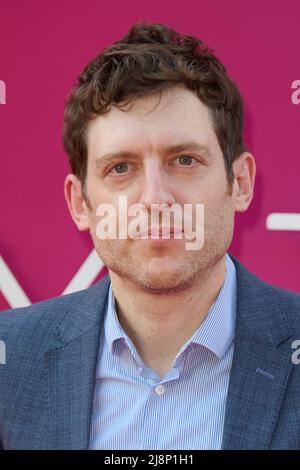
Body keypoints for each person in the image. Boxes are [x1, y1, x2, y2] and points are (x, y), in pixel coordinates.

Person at [0, 21, 299, 450]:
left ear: (241, 182)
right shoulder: (9, 362)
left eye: (184, 160)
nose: (156, 199)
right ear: (80, 203)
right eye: (121, 168)